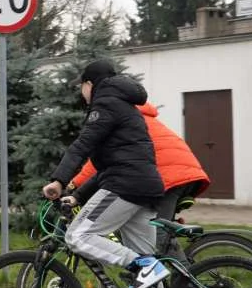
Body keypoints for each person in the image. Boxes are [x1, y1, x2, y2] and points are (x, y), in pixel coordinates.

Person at [42, 59, 170, 288]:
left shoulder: (105, 103)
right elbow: (108, 164)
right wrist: (78, 195)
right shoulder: (123, 103)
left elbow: (82, 146)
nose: (81, 93)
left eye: (82, 87)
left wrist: (59, 180)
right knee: (148, 258)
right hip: (142, 185)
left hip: (125, 185)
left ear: (90, 83)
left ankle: (142, 268)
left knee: (78, 236)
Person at [68, 102, 211, 254]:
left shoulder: (123, 122)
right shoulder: (143, 118)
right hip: (186, 175)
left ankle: (180, 275)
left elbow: (97, 164)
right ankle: (148, 271)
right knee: (157, 228)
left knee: (158, 235)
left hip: (166, 177)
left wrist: (72, 186)